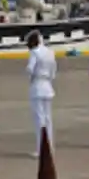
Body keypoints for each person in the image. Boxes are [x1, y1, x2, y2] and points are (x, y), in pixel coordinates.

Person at [25, 30, 57, 158]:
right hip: (48, 86)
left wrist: (31, 78)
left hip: (37, 86)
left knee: (39, 120)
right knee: (48, 119)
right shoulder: (50, 53)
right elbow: (54, 71)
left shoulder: (35, 53)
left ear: (34, 42)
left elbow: (30, 69)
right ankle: (50, 147)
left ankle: (41, 149)